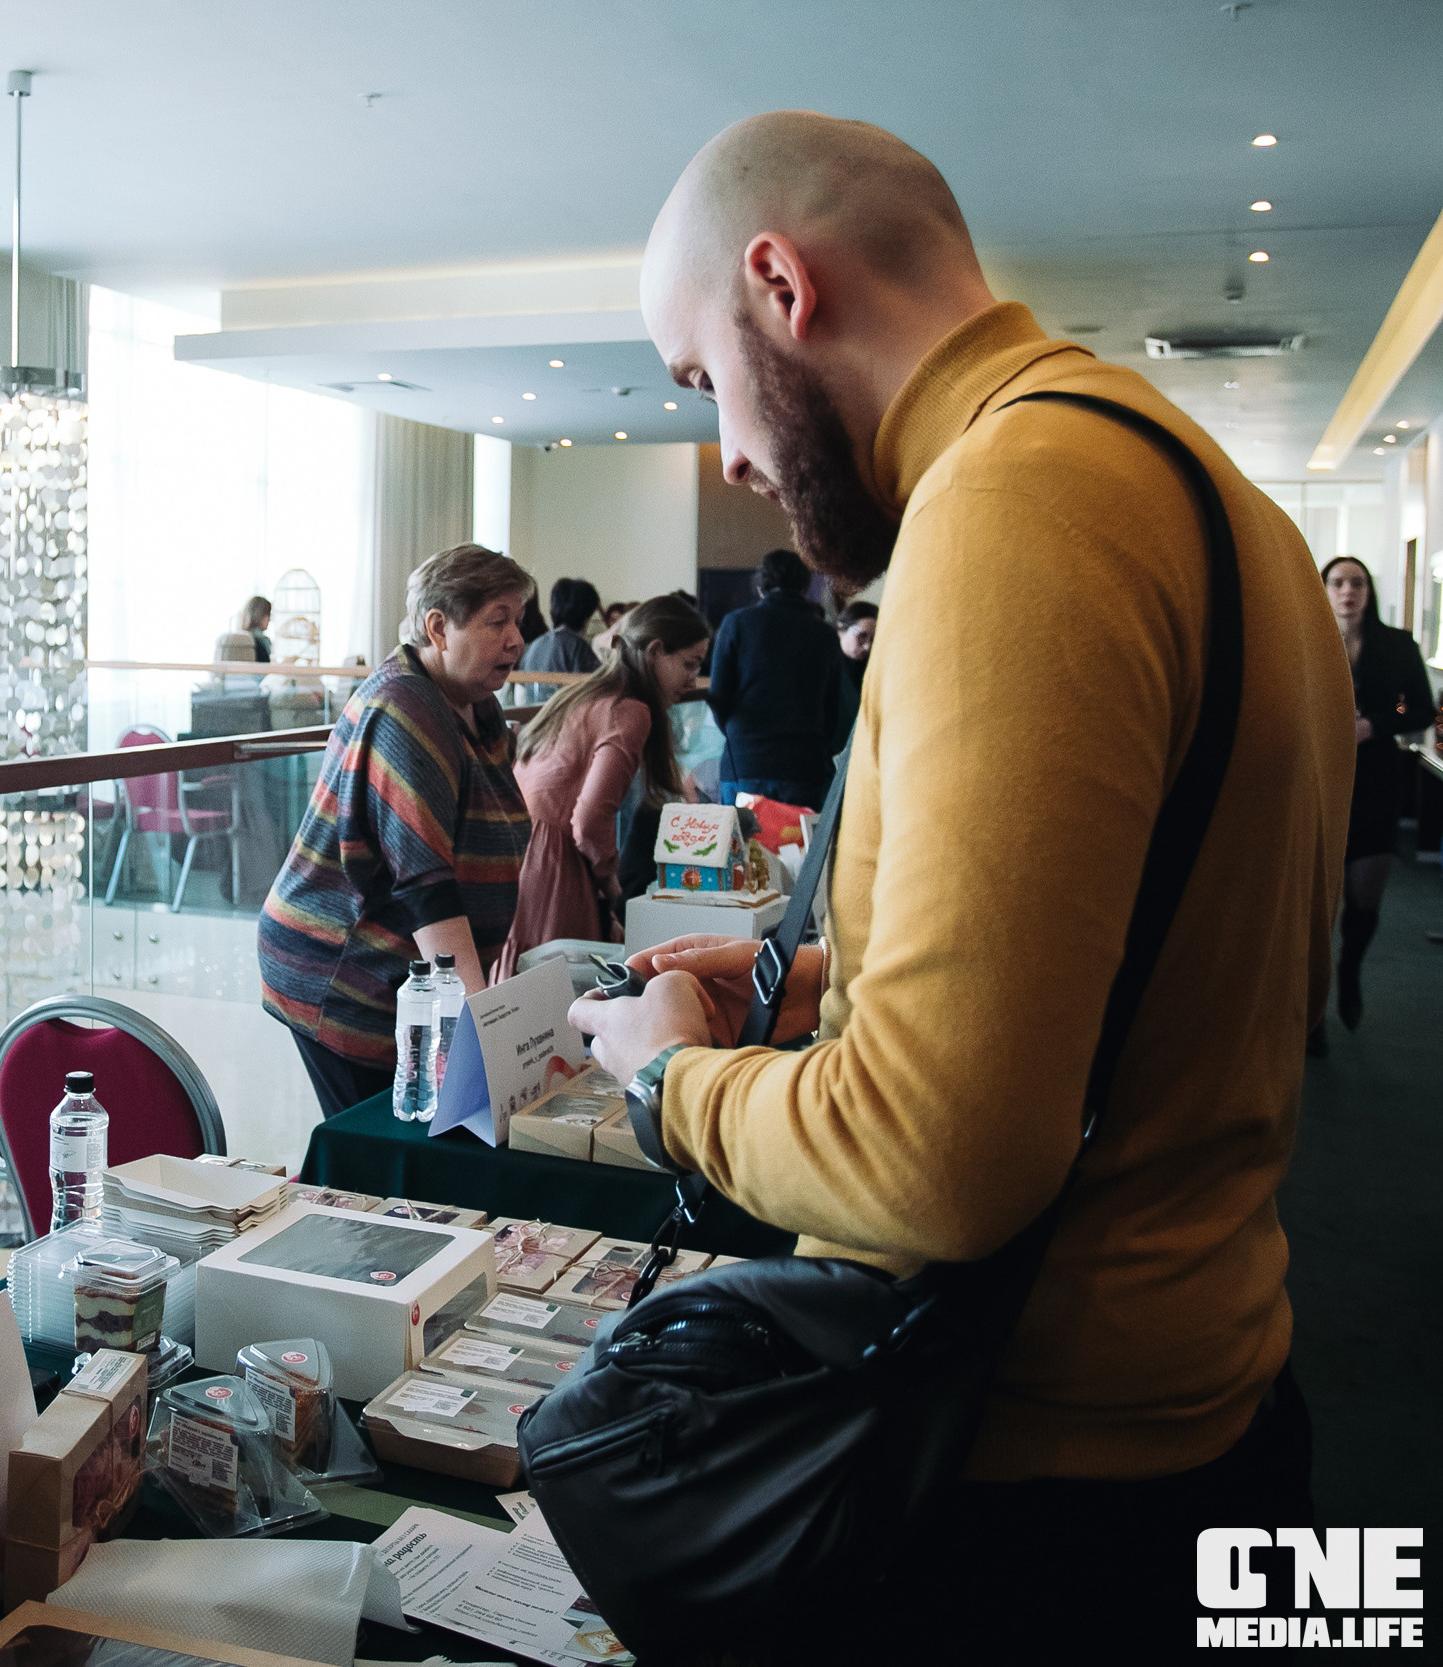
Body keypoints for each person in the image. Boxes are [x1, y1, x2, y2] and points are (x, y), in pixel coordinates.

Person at [571, 111, 1352, 1661]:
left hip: (1042, 1490)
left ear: (783, 283)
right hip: (1217, 1401)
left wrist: (672, 1081)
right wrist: (820, 982)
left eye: (703, 379)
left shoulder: (1009, 502)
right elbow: (1149, 956)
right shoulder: (1223, 500)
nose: (729, 453)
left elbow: (938, 1162)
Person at [259, 544, 533, 1117]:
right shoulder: (406, 708)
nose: (516, 639)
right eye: (497, 621)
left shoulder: (477, 707)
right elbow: (427, 887)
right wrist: (480, 1029)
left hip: (406, 971)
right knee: (378, 1141)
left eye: (518, 620)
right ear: (438, 627)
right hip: (344, 969)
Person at [497, 594, 710, 970]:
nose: (693, 680)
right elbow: (590, 818)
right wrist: (611, 884)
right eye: (688, 664)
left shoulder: (587, 693)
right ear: (655, 651)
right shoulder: (631, 711)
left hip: (522, 847)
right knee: (558, 989)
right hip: (555, 861)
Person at [1315, 555, 1436, 1045]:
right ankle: (1312, 1010)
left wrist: (1374, 724)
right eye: (1337, 582)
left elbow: (1422, 710)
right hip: (1321, 778)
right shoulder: (1308, 639)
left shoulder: (1398, 645)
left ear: (1369, 590)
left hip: (1377, 781)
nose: (1348, 591)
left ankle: (1350, 970)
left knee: (1364, 902)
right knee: (1316, 904)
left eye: (1357, 583)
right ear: (1323, 589)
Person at [705, 546, 841, 808]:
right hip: (804, 764)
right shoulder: (825, 634)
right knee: (797, 835)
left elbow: (718, 697)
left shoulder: (736, 623)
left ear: (761, 587)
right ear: (805, 586)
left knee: (741, 835)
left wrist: (738, 735)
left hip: (745, 760)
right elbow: (831, 710)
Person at [829, 598, 878, 752]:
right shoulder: (827, 665)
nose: (867, 646)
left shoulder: (871, 669)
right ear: (841, 629)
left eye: (873, 639)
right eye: (861, 636)